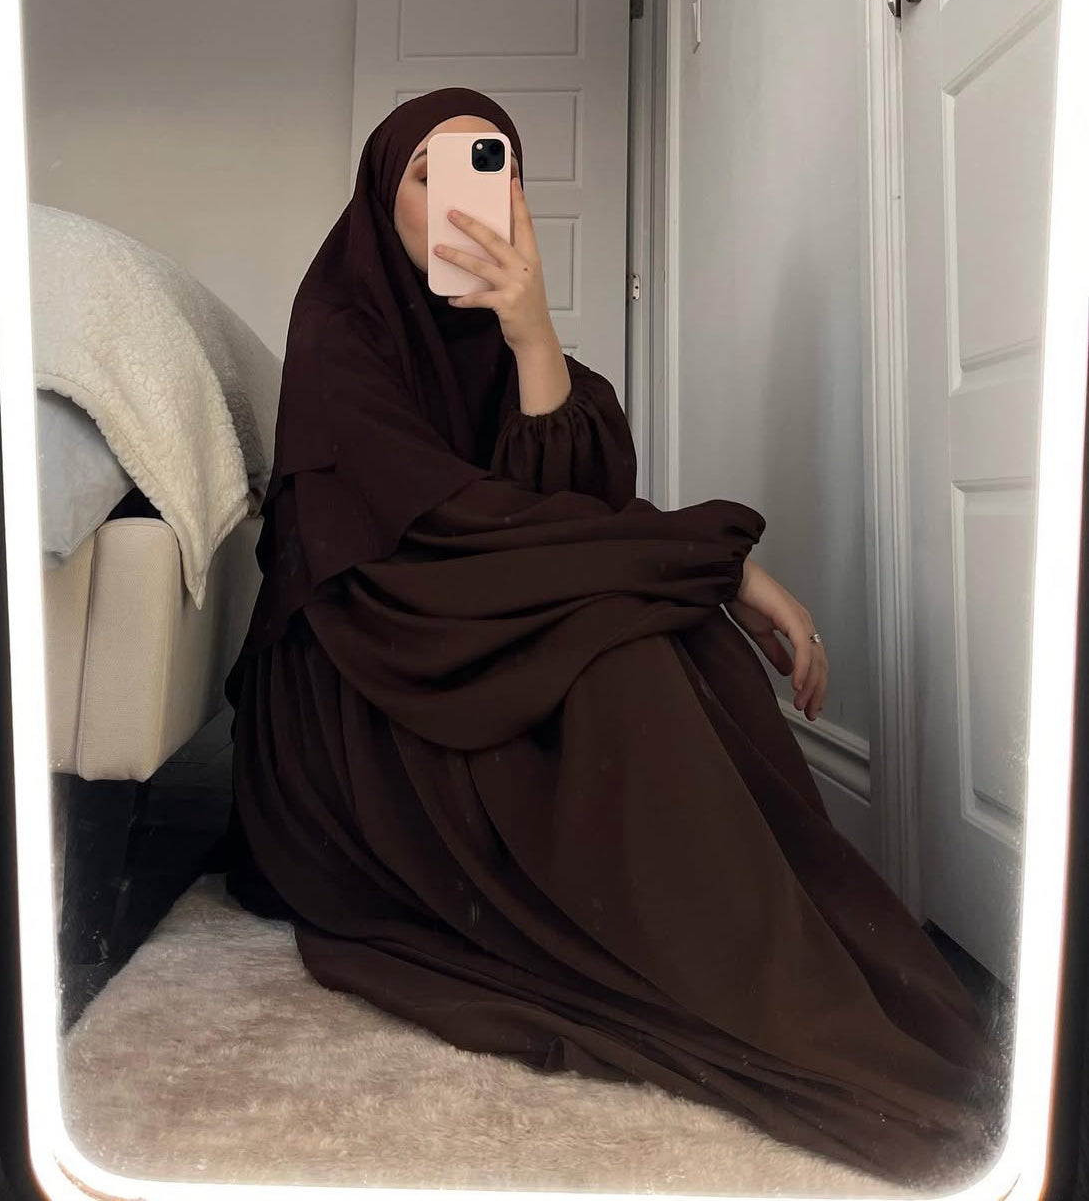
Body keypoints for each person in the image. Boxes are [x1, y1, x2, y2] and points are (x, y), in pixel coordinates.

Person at [214, 86, 1007, 1186]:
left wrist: (533, 335)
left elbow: (571, 519)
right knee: (628, 634)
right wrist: (721, 563)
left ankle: (773, 949)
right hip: (358, 674)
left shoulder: (527, 351)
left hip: (475, 623)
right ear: (381, 203)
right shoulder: (341, 329)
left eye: (489, 168)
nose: (459, 199)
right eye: (425, 175)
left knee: (657, 635)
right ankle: (746, 977)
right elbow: (450, 534)